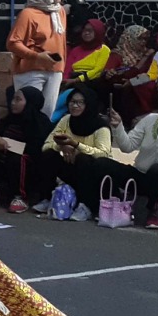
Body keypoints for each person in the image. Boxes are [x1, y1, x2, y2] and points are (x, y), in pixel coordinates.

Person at [96, 88, 158, 229]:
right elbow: (127, 147)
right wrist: (118, 126)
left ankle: (153, 213)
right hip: (142, 175)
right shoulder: (151, 119)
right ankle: (116, 205)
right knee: (102, 163)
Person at [34, 83, 111, 217]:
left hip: (92, 174)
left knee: (83, 158)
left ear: (89, 104)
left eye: (80, 102)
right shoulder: (66, 120)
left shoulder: (101, 126)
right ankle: (47, 198)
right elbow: (46, 144)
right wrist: (61, 146)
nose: (75, 106)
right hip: (70, 167)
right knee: (49, 154)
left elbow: (103, 153)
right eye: (72, 102)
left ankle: (85, 206)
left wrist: (76, 145)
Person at [6, 0, 67, 112]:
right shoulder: (28, 14)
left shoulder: (59, 11)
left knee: (47, 112)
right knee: (28, 111)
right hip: (31, 71)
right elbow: (13, 43)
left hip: (55, 70)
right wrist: (37, 56)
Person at [0, 86, 51, 212]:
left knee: (17, 158)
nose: (13, 103)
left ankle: (20, 197)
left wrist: (10, 145)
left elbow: (37, 148)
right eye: (13, 99)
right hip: (5, 154)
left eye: (18, 100)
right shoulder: (10, 119)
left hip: (29, 162)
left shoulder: (40, 122)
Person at [105, 24, 155, 125]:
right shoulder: (118, 54)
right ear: (130, 38)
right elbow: (110, 72)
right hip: (124, 92)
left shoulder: (149, 54)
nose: (143, 43)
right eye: (140, 39)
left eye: (145, 40)